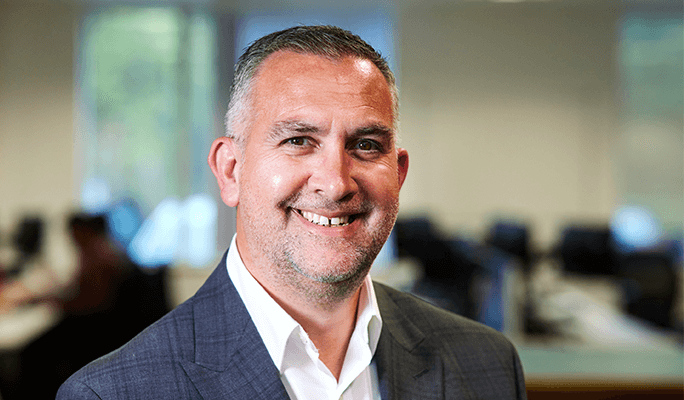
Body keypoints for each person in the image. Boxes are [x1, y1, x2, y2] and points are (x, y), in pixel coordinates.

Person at [57, 25, 527, 399]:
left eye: (365, 145)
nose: (336, 181)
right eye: (299, 141)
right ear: (231, 170)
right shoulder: (114, 392)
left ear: (398, 175)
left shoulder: (487, 366)